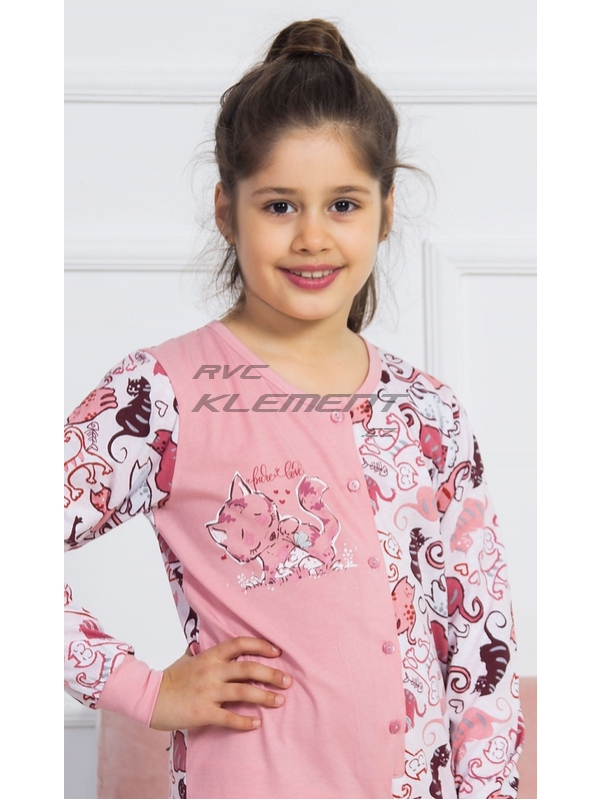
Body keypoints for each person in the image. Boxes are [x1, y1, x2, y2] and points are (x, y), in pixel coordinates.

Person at [64, 18, 525, 800]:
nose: (313, 237)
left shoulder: (428, 412)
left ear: (385, 210)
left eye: (343, 204)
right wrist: (141, 688)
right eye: (280, 206)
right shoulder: (162, 395)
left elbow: (482, 647)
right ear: (226, 210)